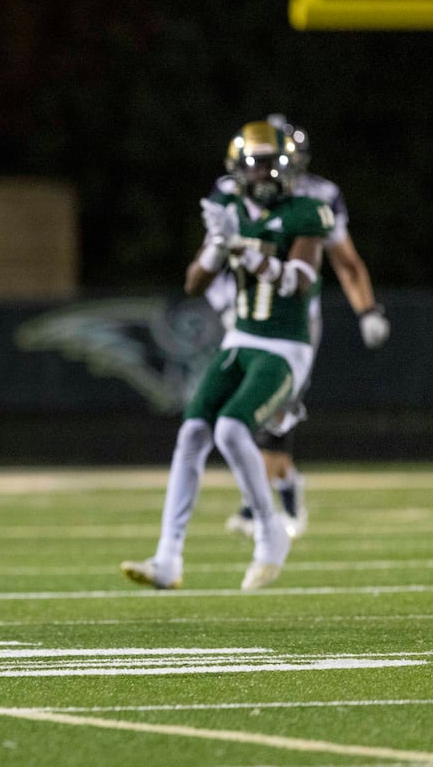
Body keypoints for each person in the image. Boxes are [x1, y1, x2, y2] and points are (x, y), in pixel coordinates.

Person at [123, 120, 334, 592]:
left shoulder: (307, 212)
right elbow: (193, 284)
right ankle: (167, 558)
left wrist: (246, 249)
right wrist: (218, 247)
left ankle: (270, 532)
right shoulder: (229, 210)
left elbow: (299, 280)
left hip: (285, 346)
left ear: (289, 166)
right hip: (239, 340)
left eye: (268, 163)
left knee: (232, 426)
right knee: (193, 431)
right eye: (252, 164)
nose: (259, 173)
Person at [209, 114, 390, 540]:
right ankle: (273, 495)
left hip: (293, 316)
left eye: (276, 159)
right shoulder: (228, 192)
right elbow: (211, 255)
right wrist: (224, 303)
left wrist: (367, 310)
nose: (266, 170)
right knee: (239, 410)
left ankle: (273, 500)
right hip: (244, 313)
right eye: (259, 159)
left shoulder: (317, 197)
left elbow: (344, 261)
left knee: (277, 410)